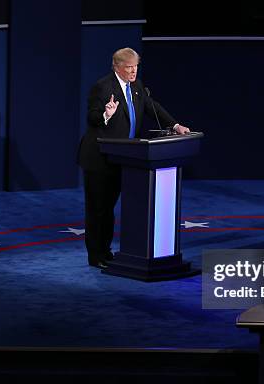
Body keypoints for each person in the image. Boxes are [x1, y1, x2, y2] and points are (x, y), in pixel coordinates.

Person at [77, 47, 190, 269]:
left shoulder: (137, 87)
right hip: (100, 159)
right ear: (117, 67)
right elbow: (92, 117)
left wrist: (175, 125)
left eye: (136, 66)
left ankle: (106, 251)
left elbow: (152, 107)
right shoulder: (102, 86)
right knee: (98, 209)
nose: (133, 71)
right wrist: (105, 115)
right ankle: (95, 256)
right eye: (129, 67)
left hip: (125, 158)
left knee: (109, 209)